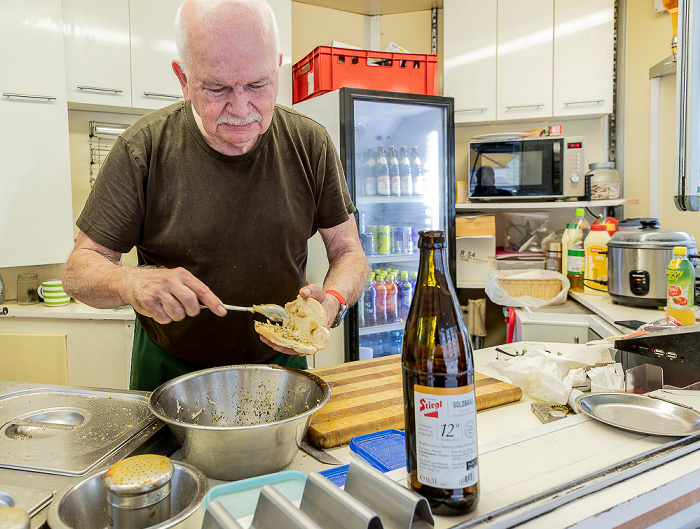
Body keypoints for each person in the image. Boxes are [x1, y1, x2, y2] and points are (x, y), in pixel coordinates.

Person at [62, 0, 369, 391]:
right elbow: (78, 270)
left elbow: (348, 251)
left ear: (276, 68)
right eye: (217, 88)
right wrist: (130, 282)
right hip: (171, 370)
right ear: (183, 79)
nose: (242, 109)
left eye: (258, 85)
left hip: (281, 367)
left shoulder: (310, 144)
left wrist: (332, 301)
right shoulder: (142, 149)